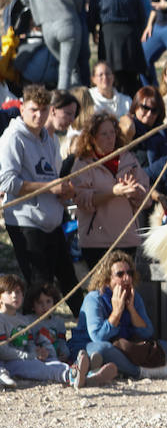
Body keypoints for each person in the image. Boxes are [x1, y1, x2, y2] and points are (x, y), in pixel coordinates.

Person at [0, 86, 77, 297]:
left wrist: (63, 191)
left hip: (51, 221)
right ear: (22, 108)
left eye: (43, 110)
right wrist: (50, 187)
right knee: (40, 288)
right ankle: (38, 330)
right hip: (26, 222)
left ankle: (83, 328)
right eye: (34, 109)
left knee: (69, 281)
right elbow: (8, 182)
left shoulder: (50, 139)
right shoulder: (12, 138)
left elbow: (50, 179)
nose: (39, 115)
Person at [72, 252, 167, 380]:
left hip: (124, 347)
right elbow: (97, 337)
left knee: (164, 346)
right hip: (91, 345)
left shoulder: (134, 298)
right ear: (107, 279)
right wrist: (116, 312)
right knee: (103, 350)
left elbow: (148, 332)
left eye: (130, 273)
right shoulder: (94, 299)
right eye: (120, 274)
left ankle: (111, 368)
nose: (127, 278)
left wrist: (131, 309)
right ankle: (139, 372)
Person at [0, 274, 112, 388]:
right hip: (12, 362)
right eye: (9, 292)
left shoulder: (23, 320)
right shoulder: (5, 319)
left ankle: (87, 375)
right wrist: (29, 355)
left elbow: (30, 343)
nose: (15, 296)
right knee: (42, 368)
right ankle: (71, 376)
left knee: (55, 363)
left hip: (31, 358)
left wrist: (36, 352)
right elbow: (3, 350)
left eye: (18, 292)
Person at [71, 111, 149, 267]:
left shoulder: (129, 159)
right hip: (97, 242)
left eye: (112, 132)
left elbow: (145, 196)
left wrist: (135, 192)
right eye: (104, 134)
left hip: (127, 239)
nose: (110, 137)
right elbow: (81, 199)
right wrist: (114, 192)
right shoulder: (83, 163)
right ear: (92, 138)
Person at [90, 0, 148, 97]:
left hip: (109, 38)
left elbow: (92, 16)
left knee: (109, 76)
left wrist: (93, 31)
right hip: (130, 38)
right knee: (130, 80)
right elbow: (142, 17)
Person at [120, 86, 167, 172]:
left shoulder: (164, 133)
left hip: (160, 180)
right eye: (145, 108)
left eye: (154, 110)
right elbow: (125, 129)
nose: (149, 114)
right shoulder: (130, 128)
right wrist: (127, 121)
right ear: (136, 105)